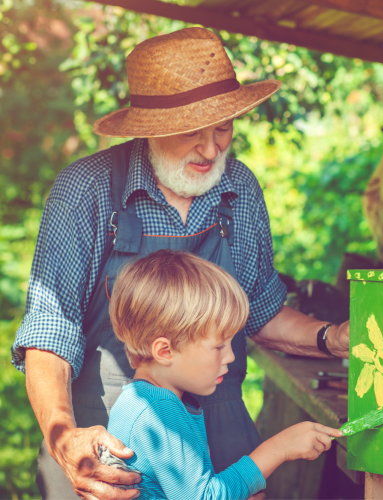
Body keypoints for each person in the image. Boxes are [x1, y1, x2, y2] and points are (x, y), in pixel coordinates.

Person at [11, 27, 349, 499]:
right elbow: (50, 331)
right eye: (192, 132)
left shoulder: (240, 189)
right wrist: (65, 437)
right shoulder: (87, 190)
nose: (212, 150)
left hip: (220, 425)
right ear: (149, 127)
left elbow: (262, 310)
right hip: (107, 439)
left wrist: (331, 338)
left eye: (223, 128)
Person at [106, 249, 341, 498]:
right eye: (219, 346)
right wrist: (278, 449)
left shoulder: (138, 401)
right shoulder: (159, 410)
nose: (230, 357)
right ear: (165, 351)